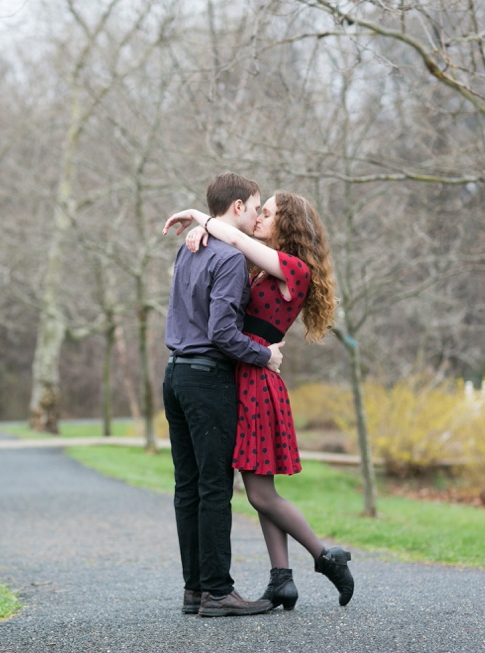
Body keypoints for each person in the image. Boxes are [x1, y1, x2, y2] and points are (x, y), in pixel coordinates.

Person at [163, 191, 355, 609]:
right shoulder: (261, 269)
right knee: (257, 485)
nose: (259, 218)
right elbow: (231, 251)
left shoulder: (294, 269)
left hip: (256, 381)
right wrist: (203, 232)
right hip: (243, 372)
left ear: (288, 224)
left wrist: (201, 216)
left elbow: (238, 241)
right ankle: (281, 578)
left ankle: (326, 557)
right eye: (258, 210)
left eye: (267, 213)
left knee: (260, 492)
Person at [163, 172, 285, 618]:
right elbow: (222, 333)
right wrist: (264, 355)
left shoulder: (190, 247)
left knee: (188, 487)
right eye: (255, 207)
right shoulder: (230, 259)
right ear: (237, 208)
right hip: (206, 380)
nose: (256, 216)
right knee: (215, 487)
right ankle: (218, 591)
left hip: (174, 376)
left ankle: (194, 590)